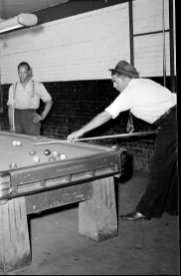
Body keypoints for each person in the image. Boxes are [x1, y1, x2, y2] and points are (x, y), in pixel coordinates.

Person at [67, 60, 178, 220]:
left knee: (159, 166)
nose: (114, 86)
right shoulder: (143, 83)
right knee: (172, 166)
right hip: (171, 118)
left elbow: (106, 115)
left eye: (115, 82)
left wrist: (81, 131)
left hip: (171, 122)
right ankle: (173, 206)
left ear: (125, 78)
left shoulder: (130, 92)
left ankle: (145, 211)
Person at [7, 62, 53, 135]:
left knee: (33, 142)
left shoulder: (37, 85)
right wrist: (12, 125)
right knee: (17, 142)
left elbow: (49, 101)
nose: (22, 76)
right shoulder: (13, 87)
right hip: (17, 119)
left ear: (29, 72)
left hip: (31, 118)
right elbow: (10, 108)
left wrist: (43, 116)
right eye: (20, 73)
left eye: (24, 73)